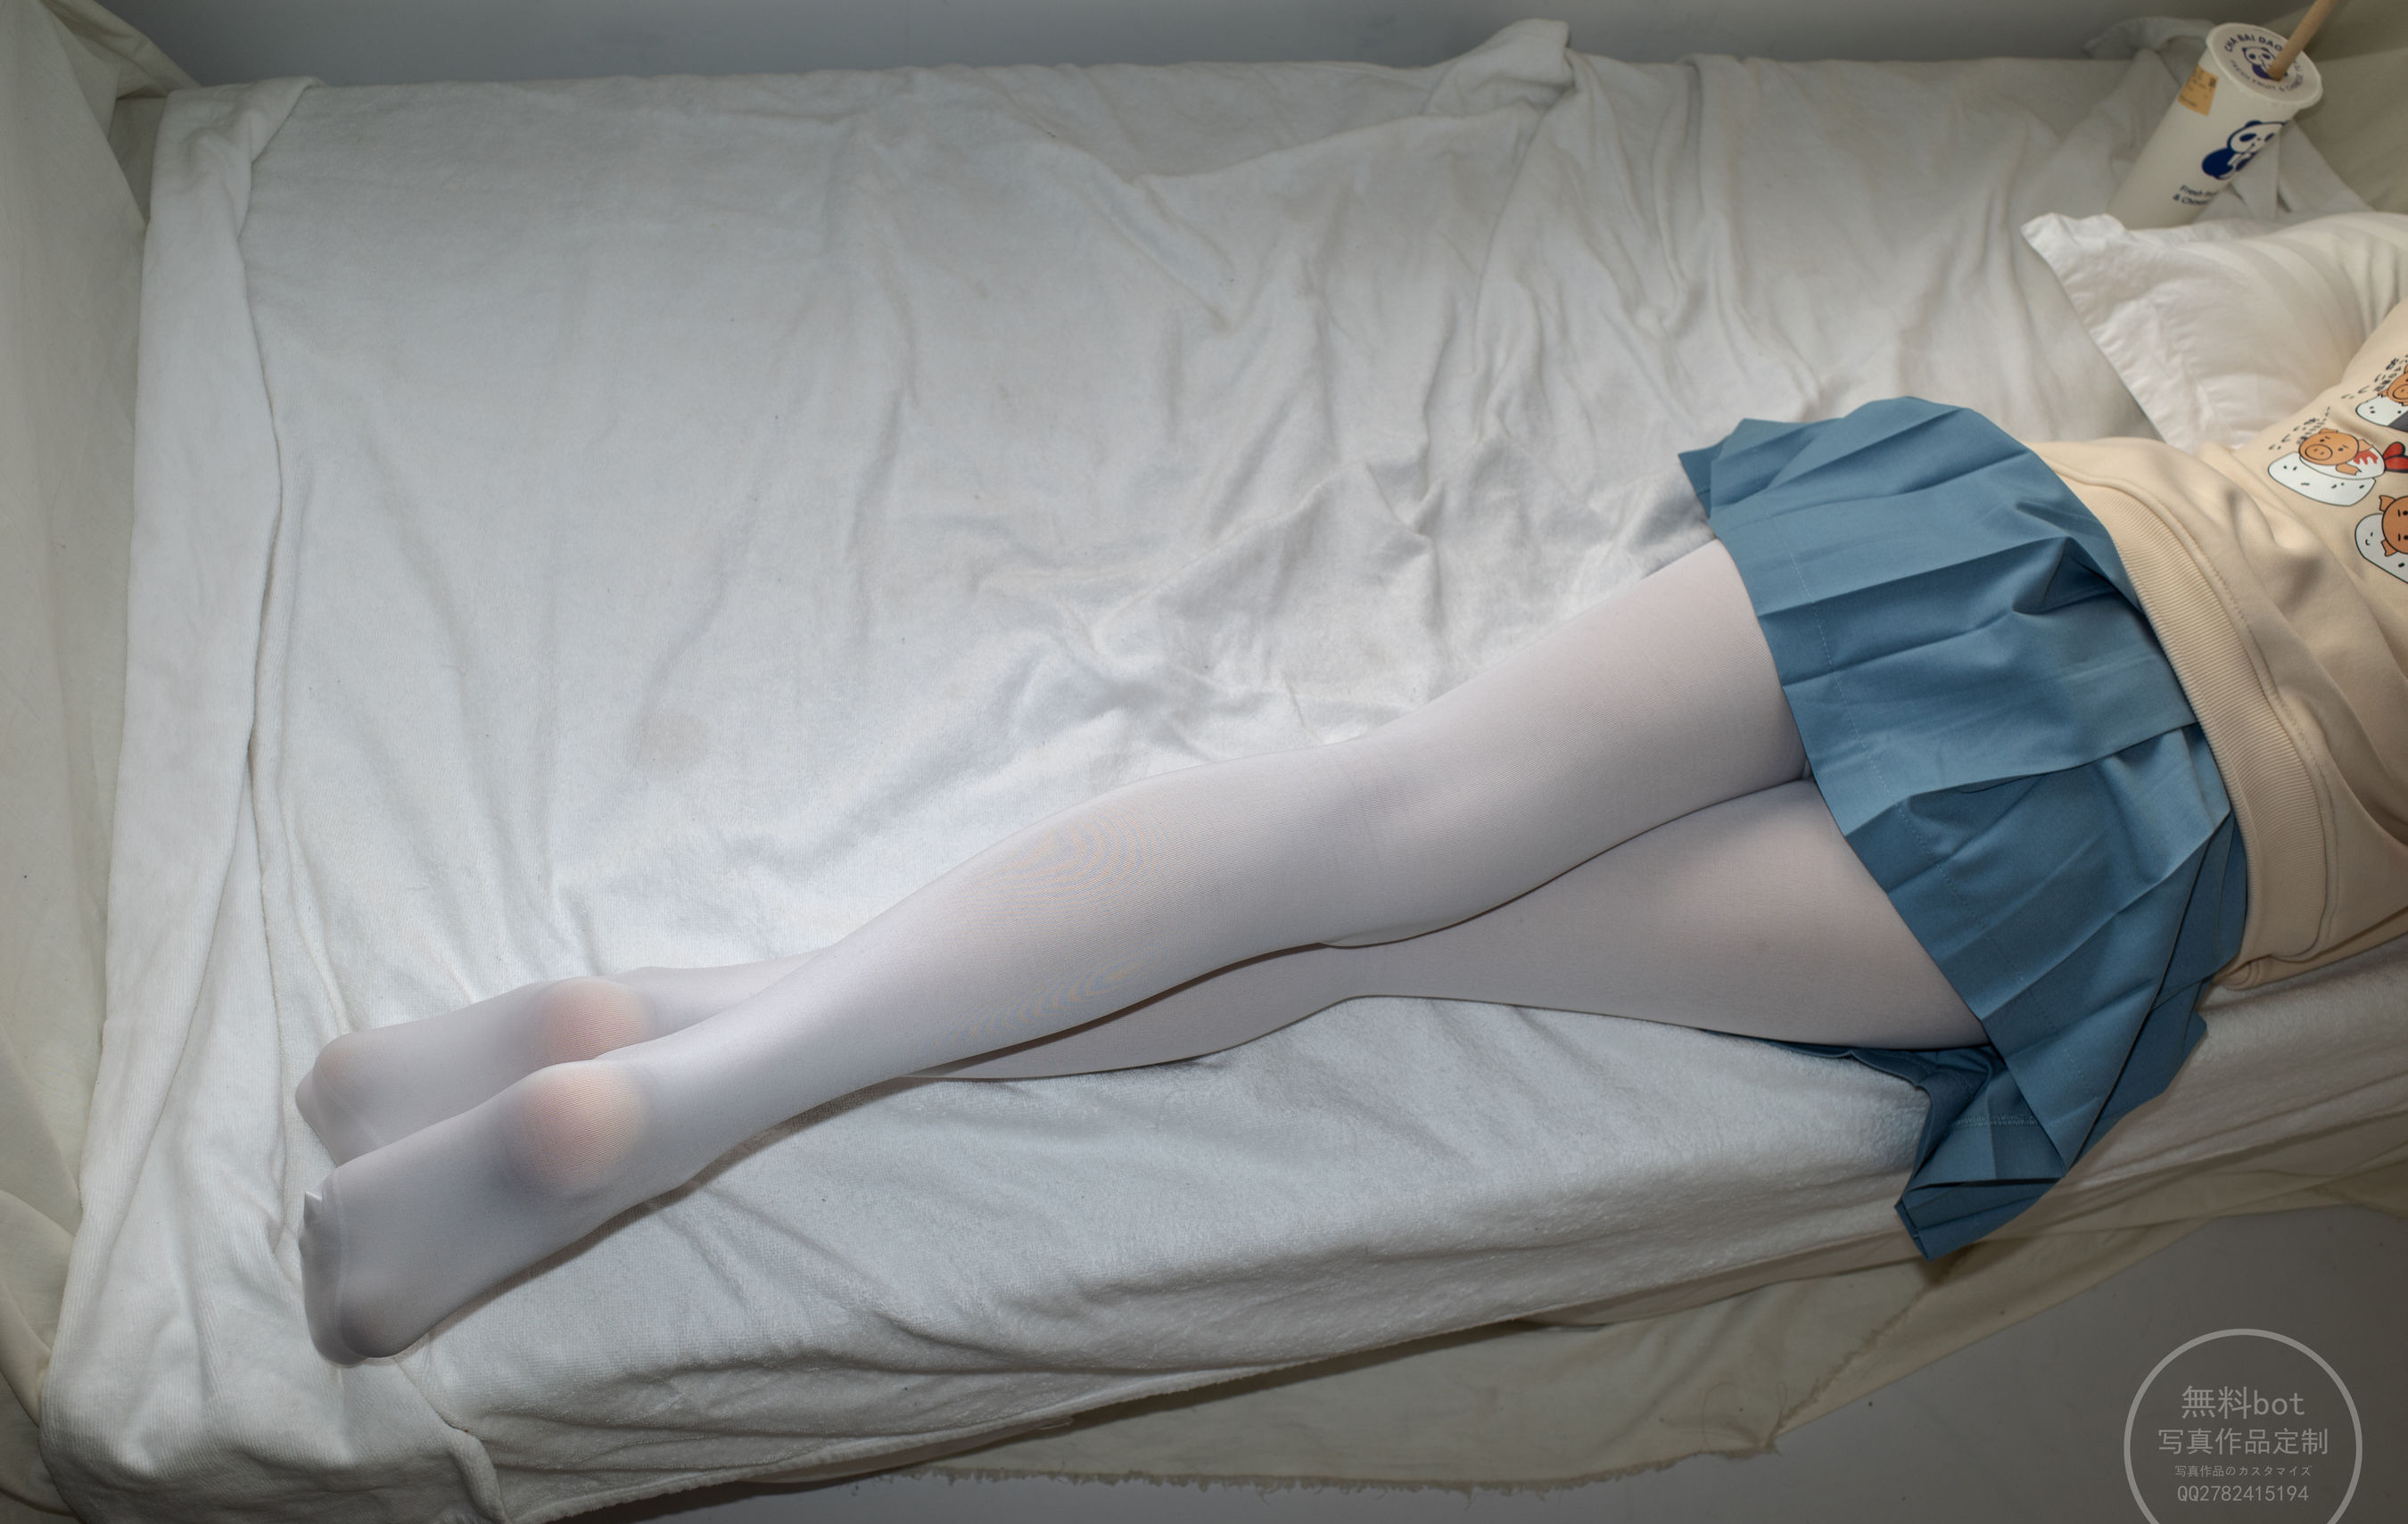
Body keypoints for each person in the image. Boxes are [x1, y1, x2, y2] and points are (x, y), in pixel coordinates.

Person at [296, 305, 2408, 1367]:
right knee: (1402, 944)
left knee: (1375, 822)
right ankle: (672, 1075)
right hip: (2144, 831)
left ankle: (692, 1047)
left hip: (2018, 560)